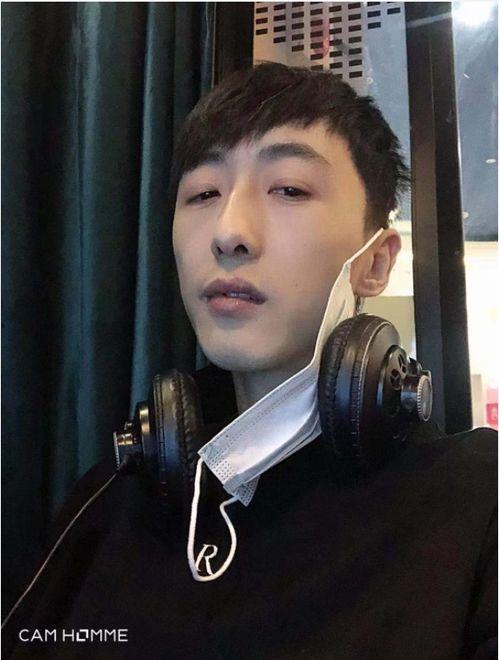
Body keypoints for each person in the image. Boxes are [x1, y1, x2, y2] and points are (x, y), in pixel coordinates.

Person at [3, 62, 497, 659]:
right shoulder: (112, 500)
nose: (229, 232)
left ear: (375, 262)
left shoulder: (474, 501)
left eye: (288, 189)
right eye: (203, 194)